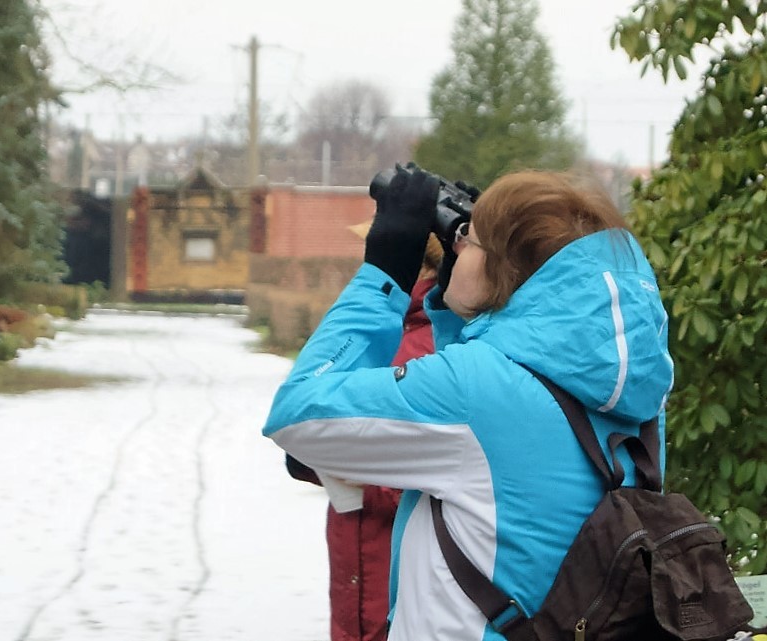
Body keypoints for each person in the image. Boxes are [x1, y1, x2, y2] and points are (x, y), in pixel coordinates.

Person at [263, 167, 673, 641]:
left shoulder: (476, 391)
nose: (455, 249)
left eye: (468, 240)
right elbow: (497, 457)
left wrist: (384, 275)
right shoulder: (632, 391)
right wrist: (470, 304)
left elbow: (298, 414)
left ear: (505, 269)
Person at [285, 228, 442, 641]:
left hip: (390, 565)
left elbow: (437, 471)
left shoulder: (425, 343)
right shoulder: (387, 330)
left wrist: (350, 466)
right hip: (359, 553)